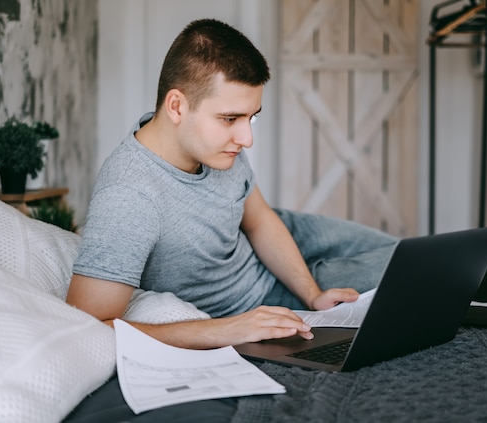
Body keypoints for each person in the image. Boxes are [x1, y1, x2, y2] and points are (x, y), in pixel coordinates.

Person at [66, 18, 398, 349]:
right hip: (264, 295)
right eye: (230, 119)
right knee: (427, 279)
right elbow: (91, 327)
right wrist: (227, 330)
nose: (246, 138)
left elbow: (258, 219)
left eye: (251, 117)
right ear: (177, 106)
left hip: (282, 236)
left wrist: (312, 293)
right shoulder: (129, 196)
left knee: (405, 250)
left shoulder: (212, 145)